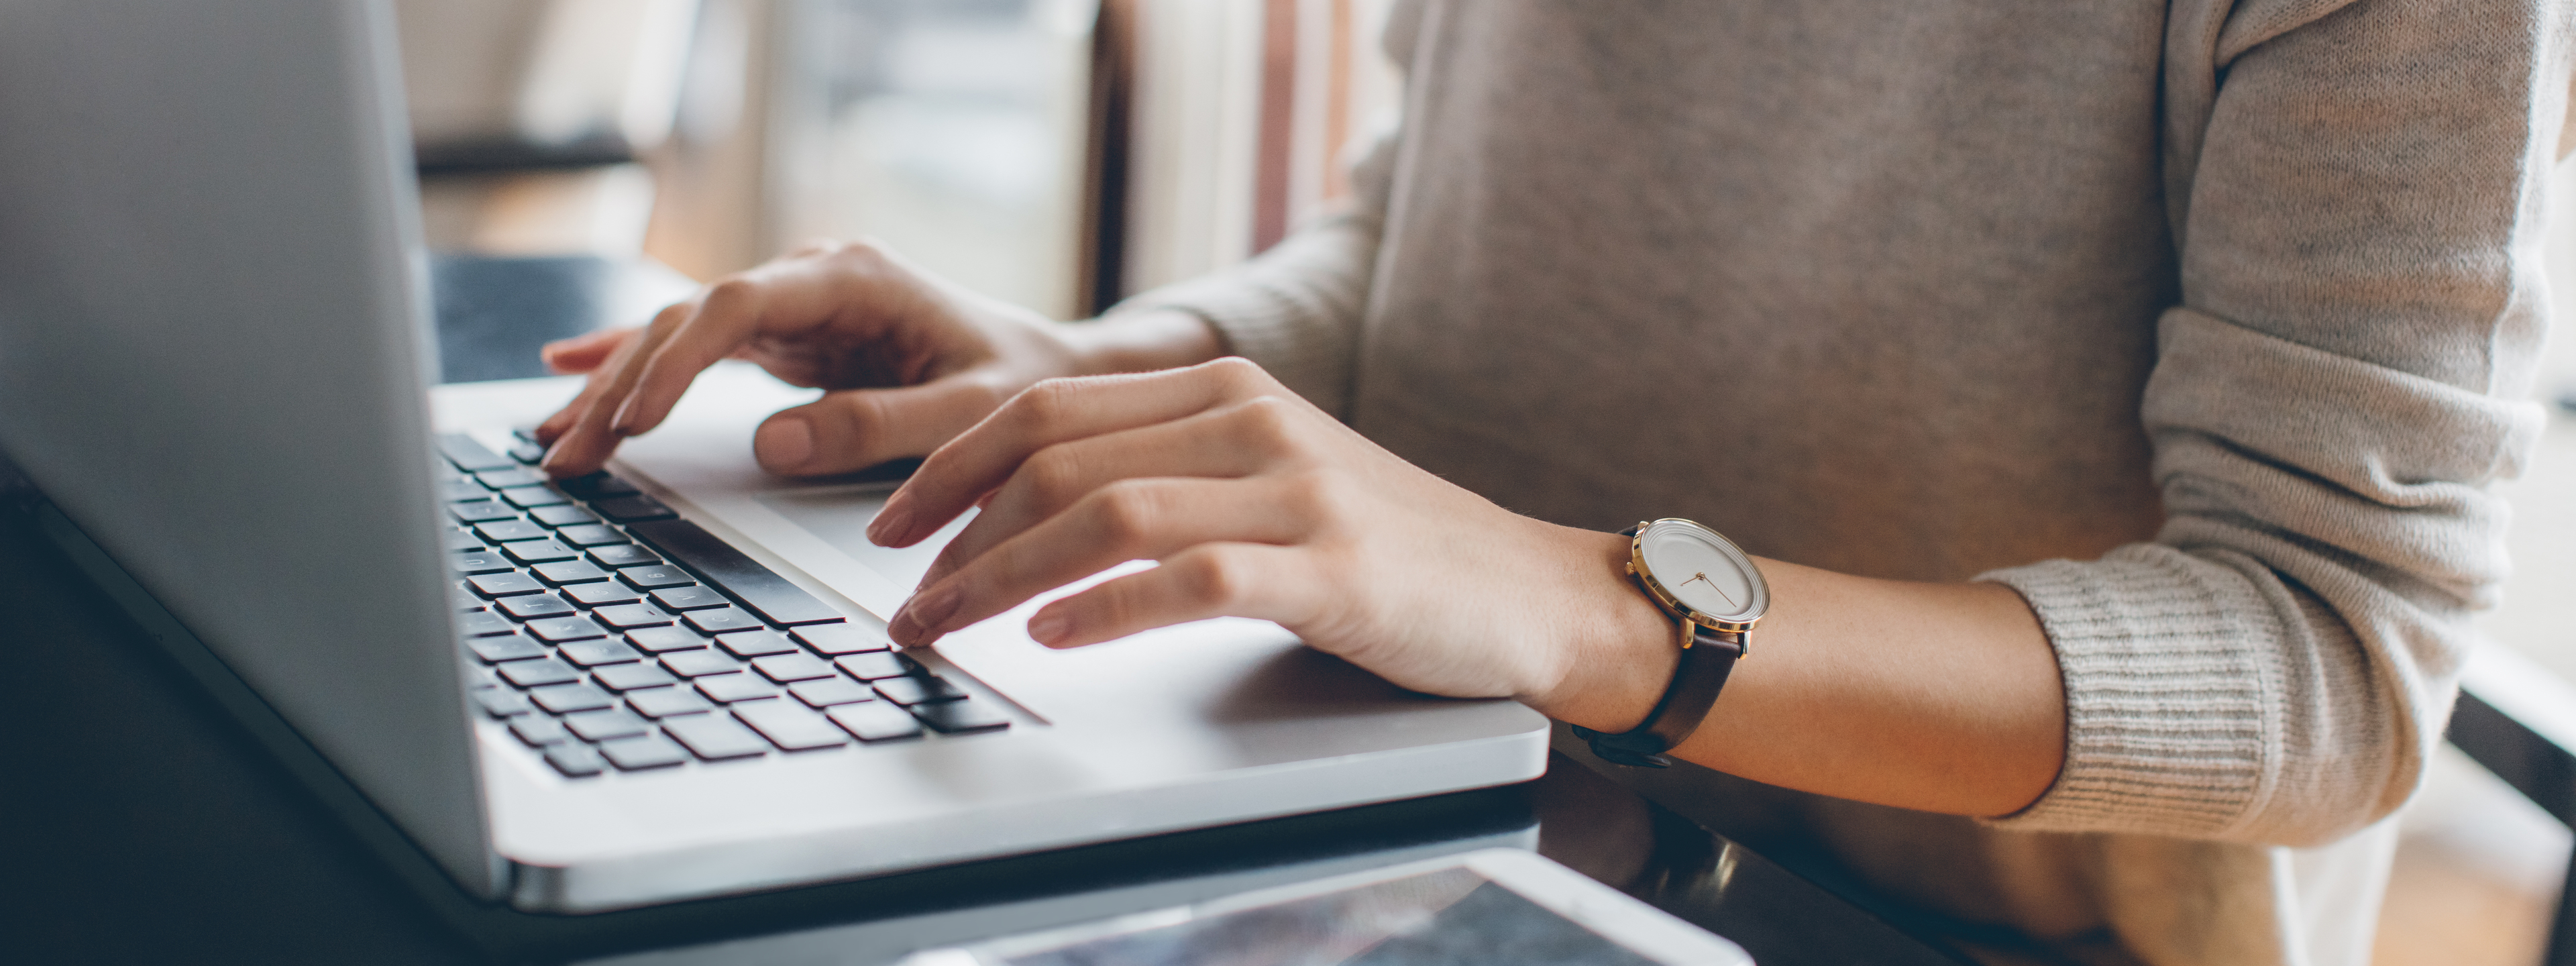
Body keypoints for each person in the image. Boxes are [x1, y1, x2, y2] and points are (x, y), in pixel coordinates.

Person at [533, 2, 2568, 963]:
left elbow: (2330, 658)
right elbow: (1414, 238)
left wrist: (1596, 609)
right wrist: (1100, 375)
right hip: (1403, 815)